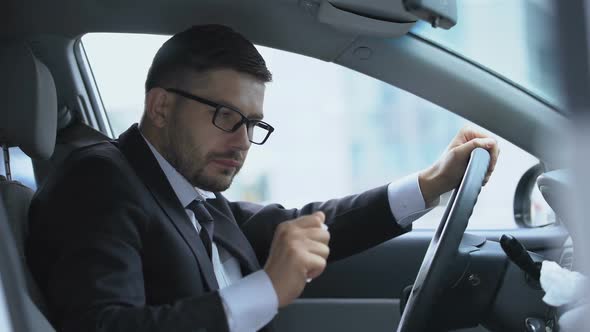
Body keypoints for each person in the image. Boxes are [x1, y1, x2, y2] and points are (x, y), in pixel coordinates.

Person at [26, 24, 499, 332]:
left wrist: (430, 184)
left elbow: (302, 225)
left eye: (253, 124)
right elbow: (101, 326)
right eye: (226, 116)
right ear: (161, 106)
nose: (243, 141)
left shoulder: (192, 190)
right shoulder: (99, 181)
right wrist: (265, 291)